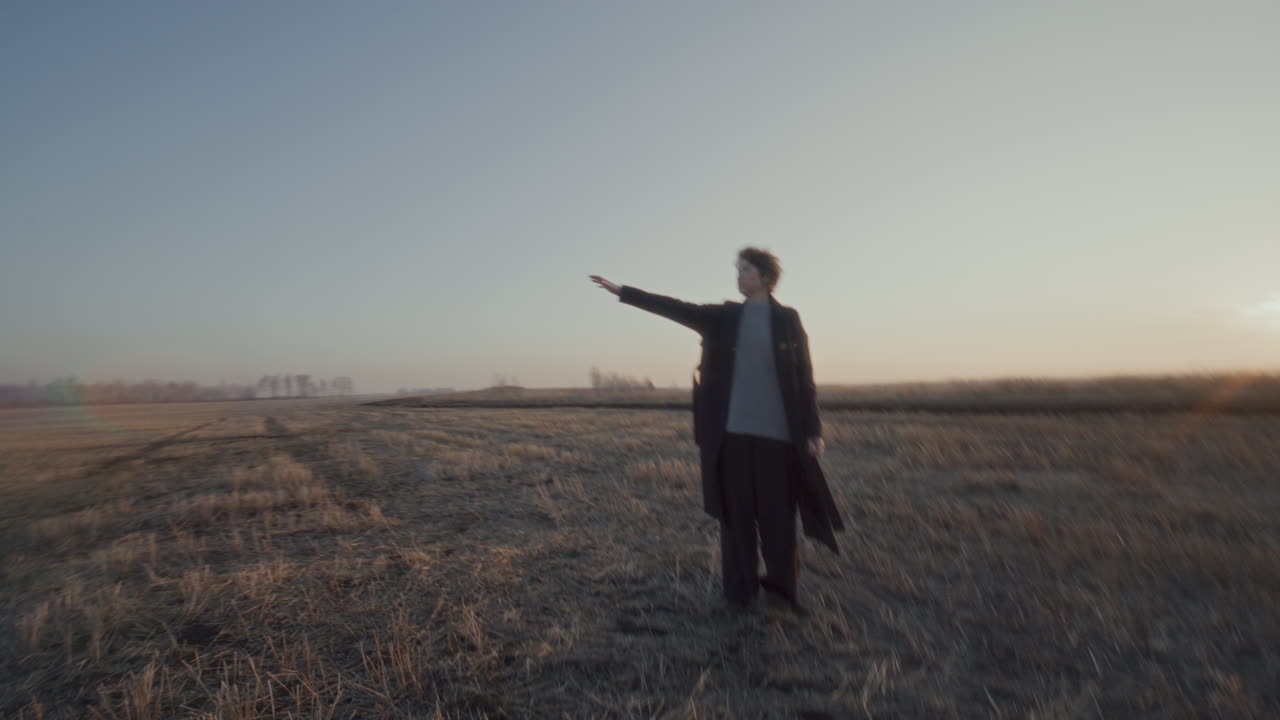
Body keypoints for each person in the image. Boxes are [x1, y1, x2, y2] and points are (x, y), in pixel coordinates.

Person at [590, 248, 843, 616]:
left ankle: (780, 595)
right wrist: (624, 292)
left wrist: (813, 430)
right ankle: (738, 594)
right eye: (738, 269)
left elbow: (805, 380)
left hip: (779, 441)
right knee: (736, 519)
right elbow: (676, 308)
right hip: (732, 438)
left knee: (778, 523)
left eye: (746, 269)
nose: (738, 276)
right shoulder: (723, 317)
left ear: (765, 277)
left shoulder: (788, 320)